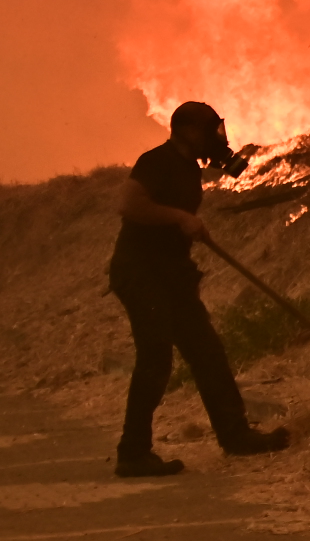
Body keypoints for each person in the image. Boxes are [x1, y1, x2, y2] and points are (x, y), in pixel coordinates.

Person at [108, 100, 289, 477]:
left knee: (207, 353)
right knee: (155, 359)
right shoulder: (156, 161)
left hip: (171, 275)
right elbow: (128, 204)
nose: (217, 139)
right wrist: (179, 217)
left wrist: (185, 225)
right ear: (190, 131)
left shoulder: (188, 169)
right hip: (142, 274)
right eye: (210, 130)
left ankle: (236, 437)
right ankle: (133, 453)